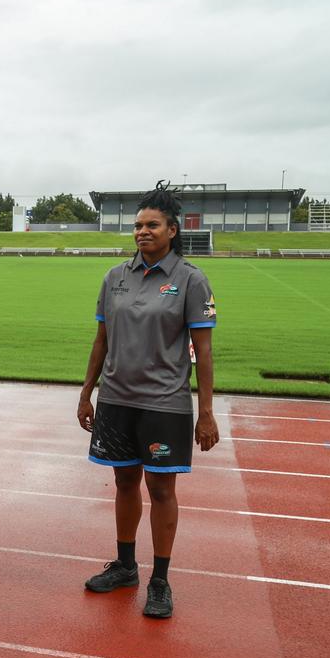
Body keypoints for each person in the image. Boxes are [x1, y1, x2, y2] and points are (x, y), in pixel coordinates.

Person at [77, 181, 219, 619]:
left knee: (160, 488)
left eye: (152, 225)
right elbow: (101, 339)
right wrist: (87, 393)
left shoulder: (191, 280)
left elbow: (204, 351)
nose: (142, 231)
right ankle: (124, 566)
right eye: (138, 225)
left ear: (172, 230)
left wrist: (207, 413)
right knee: (123, 483)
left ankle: (159, 579)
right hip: (117, 400)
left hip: (165, 403)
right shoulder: (114, 277)